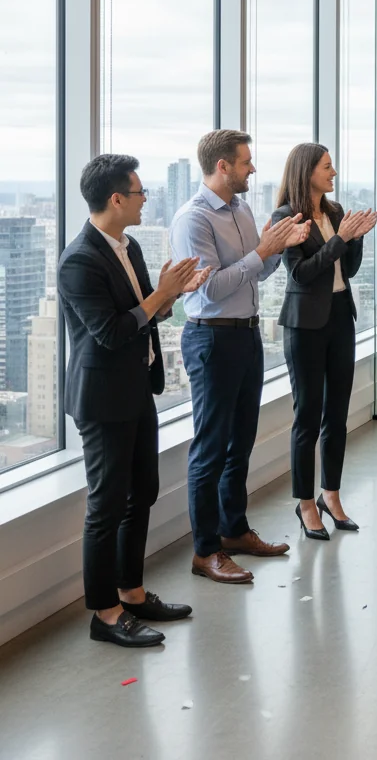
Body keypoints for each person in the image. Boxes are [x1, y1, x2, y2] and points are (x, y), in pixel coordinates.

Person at [58, 155, 210, 647]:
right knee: (105, 506)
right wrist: (158, 296)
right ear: (117, 198)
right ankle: (104, 614)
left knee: (141, 492)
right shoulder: (80, 259)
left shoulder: (129, 247)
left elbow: (147, 315)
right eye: (141, 193)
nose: (147, 200)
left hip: (137, 387)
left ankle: (132, 592)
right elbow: (112, 331)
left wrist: (174, 294)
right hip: (103, 399)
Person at [170, 130, 310, 584]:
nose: (253, 169)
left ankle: (234, 531)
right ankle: (205, 551)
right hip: (211, 339)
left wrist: (279, 247)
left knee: (240, 444)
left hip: (247, 337)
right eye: (246, 162)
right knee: (209, 449)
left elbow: (259, 270)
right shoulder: (193, 219)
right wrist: (262, 252)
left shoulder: (243, 209)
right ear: (223, 166)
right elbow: (208, 288)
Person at [272, 143, 377, 540]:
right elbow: (300, 274)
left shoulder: (334, 212)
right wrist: (339, 240)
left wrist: (356, 238)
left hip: (339, 317)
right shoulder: (286, 217)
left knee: (338, 414)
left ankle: (330, 494)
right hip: (304, 326)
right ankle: (304, 504)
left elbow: (344, 269)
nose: (334, 173)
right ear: (307, 171)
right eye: (327, 167)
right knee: (308, 417)